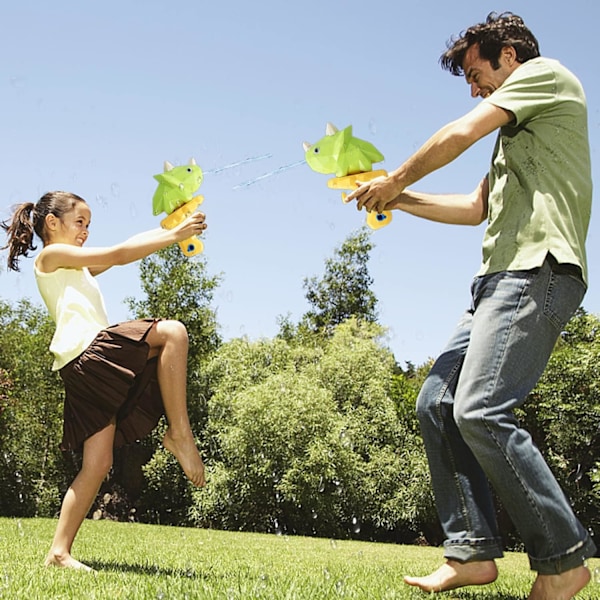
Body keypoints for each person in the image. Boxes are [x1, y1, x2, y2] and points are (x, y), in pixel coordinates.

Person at [347, 11, 595, 600]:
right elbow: (474, 209)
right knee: (437, 403)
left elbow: (459, 133)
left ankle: (563, 562)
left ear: (508, 54)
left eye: (474, 70)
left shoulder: (544, 76)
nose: (472, 85)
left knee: (480, 409)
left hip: (539, 271)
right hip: (494, 282)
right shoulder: (518, 134)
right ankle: (472, 553)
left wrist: (398, 173)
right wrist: (398, 197)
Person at [1, 190, 208, 571]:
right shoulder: (51, 257)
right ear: (52, 223)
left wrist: (172, 228)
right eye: (79, 223)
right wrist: (175, 236)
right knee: (173, 334)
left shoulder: (74, 266)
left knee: (97, 465)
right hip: (89, 352)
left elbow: (125, 249)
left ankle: (59, 552)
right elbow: (115, 254)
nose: (85, 231)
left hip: (79, 366)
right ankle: (180, 433)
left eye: (88, 225)